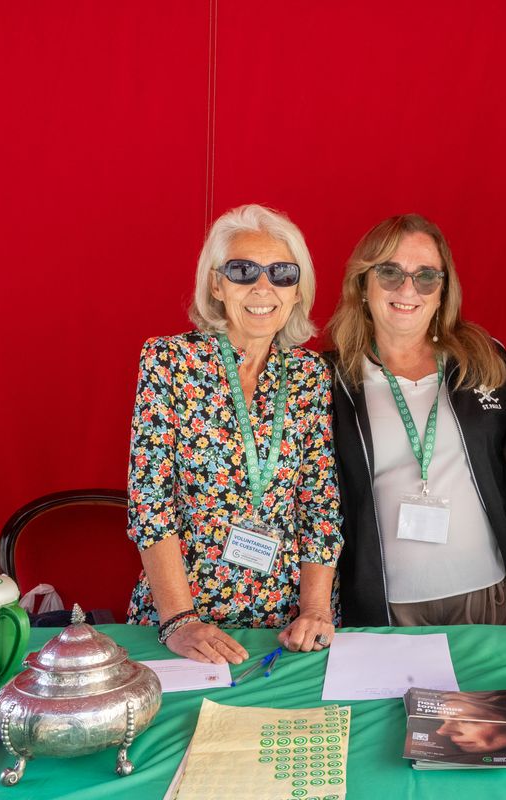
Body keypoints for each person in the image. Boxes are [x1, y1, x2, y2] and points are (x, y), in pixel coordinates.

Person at [126, 204, 343, 663]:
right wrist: (179, 620)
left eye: (282, 273)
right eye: (243, 270)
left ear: (297, 287)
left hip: (291, 622)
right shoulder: (169, 361)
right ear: (216, 283)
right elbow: (150, 502)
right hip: (186, 620)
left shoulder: (309, 373)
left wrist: (317, 610)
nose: (264, 287)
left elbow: (319, 501)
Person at [326, 213, 506, 626]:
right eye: (390, 273)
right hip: (384, 602)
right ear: (363, 284)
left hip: (483, 592)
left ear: (442, 291)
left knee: (487, 695)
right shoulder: (330, 378)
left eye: (426, 277)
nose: (408, 289)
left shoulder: (486, 362)